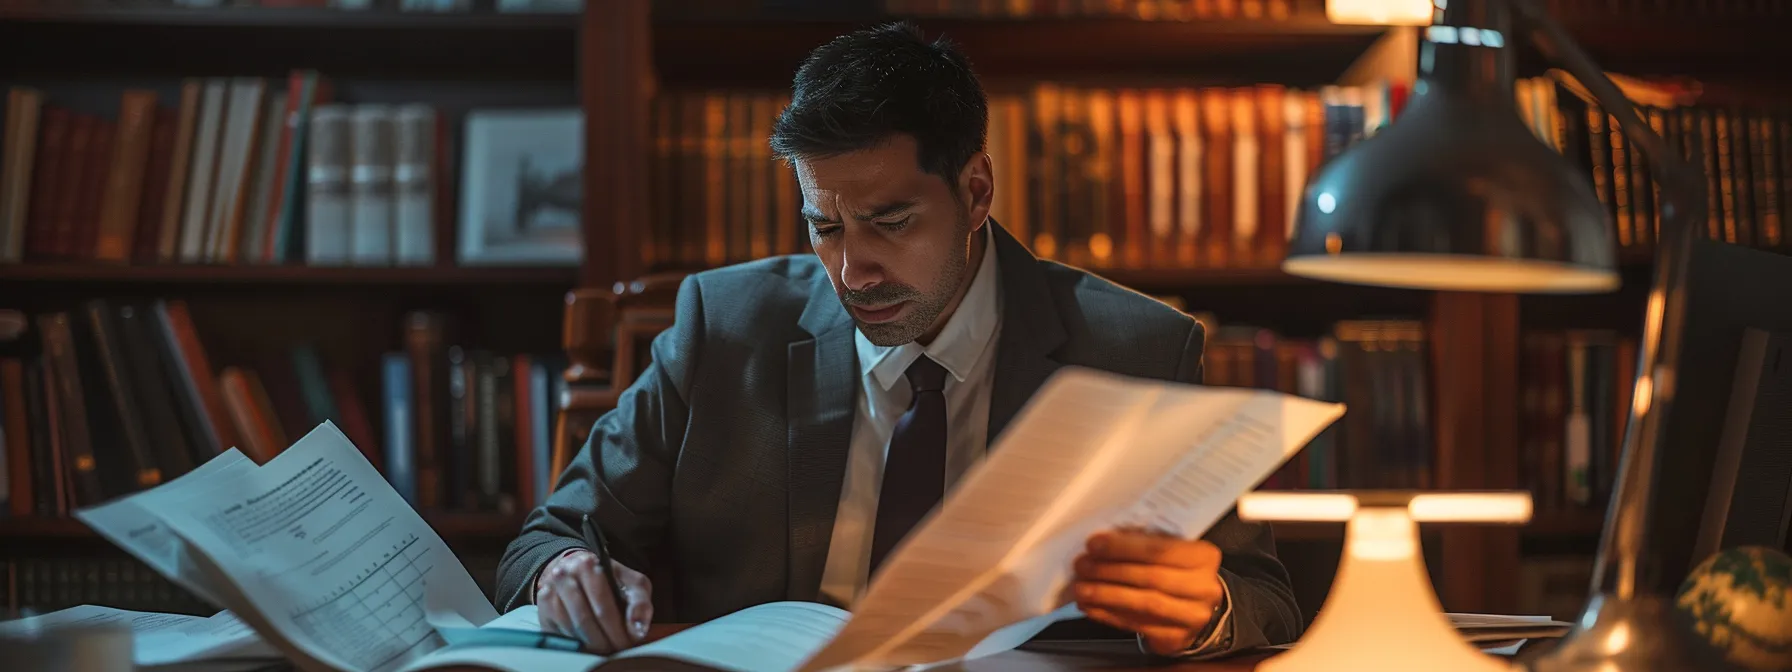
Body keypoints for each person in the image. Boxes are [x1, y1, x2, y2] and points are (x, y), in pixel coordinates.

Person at [495, 20, 1301, 661]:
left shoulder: (1138, 350)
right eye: (825, 226)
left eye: (891, 222)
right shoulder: (725, 327)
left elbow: (1261, 596)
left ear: (976, 190)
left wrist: (1204, 611)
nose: (853, 270)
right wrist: (562, 576)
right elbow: (549, 540)